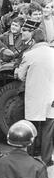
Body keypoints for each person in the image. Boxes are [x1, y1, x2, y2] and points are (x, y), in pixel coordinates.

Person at [15, 29, 54, 167]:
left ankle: (31, 156)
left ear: (34, 40)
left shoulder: (29, 54)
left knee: (31, 128)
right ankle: (47, 158)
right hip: (51, 97)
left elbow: (20, 76)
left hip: (34, 97)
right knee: (48, 129)